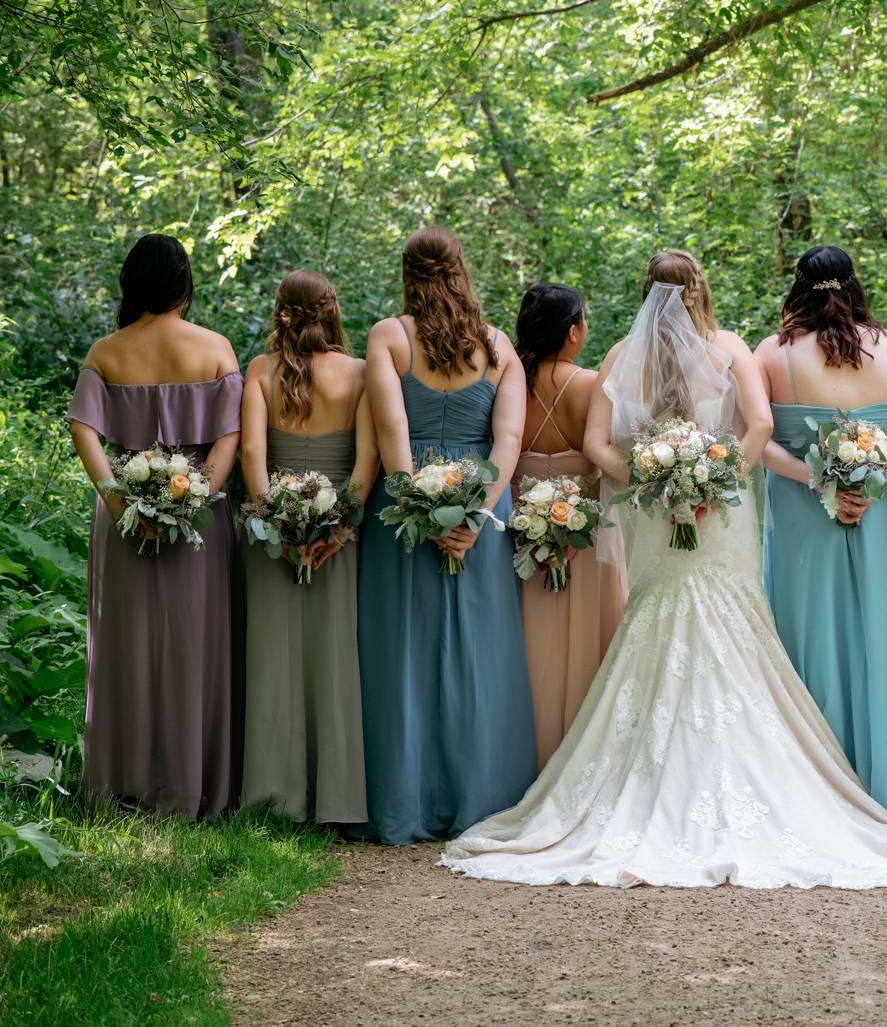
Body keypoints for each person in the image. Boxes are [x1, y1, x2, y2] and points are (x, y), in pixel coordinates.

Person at [441, 249, 887, 888]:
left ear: (645, 292)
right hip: (715, 514)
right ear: (702, 289)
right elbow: (759, 426)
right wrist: (714, 482)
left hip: (660, 514)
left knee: (661, 620)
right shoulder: (730, 346)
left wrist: (654, 483)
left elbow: (600, 446)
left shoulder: (625, 357)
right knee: (725, 621)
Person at [353, 227, 536, 844]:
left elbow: (391, 432)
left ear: (407, 273)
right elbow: (507, 441)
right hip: (482, 505)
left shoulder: (388, 337)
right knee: (478, 654)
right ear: (462, 270)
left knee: (402, 651)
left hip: (406, 513)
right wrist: (477, 515)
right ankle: (480, 802)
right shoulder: (497, 345)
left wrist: (423, 511)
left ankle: (404, 805)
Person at [67, 233, 242, 819]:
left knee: (126, 644)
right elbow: (230, 437)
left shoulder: (105, 352)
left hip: (124, 527)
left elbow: (83, 430)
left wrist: (120, 503)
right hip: (199, 522)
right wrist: (195, 499)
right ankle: (192, 785)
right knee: (195, 648)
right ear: (184, 284)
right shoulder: (216, 349)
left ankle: (126, 784)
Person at [756, 245, 887, 816]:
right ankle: (880, 778)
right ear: (854, 285)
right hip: (879, 511)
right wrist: (878, 472)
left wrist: (817, 480)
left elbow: (757, 441)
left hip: (803, 512)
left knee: (807, 634)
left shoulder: (772, 353)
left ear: (797, 290)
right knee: (880, 633)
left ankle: (811, 782)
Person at [239, 270, 375, 824]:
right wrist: (334, 529)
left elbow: (253, 456)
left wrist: (280, 527)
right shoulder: (361, 373)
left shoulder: (260, 372)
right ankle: (337, 799)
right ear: (332, 309)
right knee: (335, 658)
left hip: (271, 536)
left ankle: (274, 798)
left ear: (281, 313)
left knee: (271, 659)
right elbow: (367, 465)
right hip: (339, 538)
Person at [511, 283, 625, 768]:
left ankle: (522, 752)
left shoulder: (508, 380)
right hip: (585, 525)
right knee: (588, 638)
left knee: (527, 636)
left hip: (520, 522)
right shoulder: (592, 383)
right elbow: (606, 457)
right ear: (573, 331)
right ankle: (585, 755)